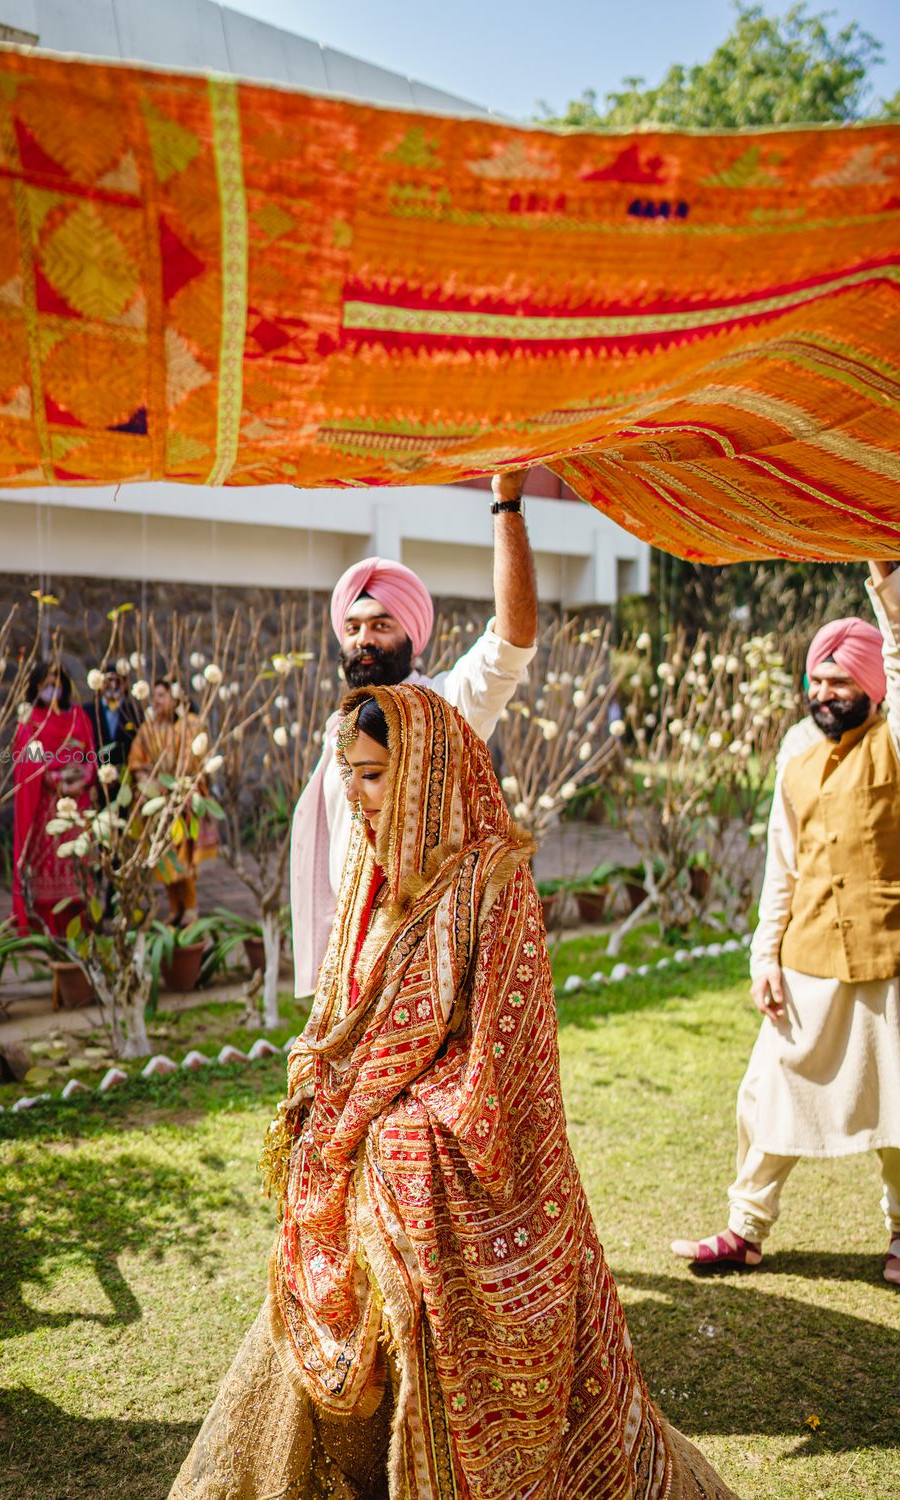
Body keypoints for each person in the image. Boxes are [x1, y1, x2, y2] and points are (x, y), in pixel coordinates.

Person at [170, 685, 736, 1499]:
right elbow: (343, 1014)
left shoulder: (495, 885)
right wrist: (331, 1098)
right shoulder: (372, 876)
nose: (359, 797)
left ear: (430, 770)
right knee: (335, 1197)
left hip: (480, 1161)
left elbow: (506, 1067)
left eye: (376, 774)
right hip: (375, 1136)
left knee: (395, 1192)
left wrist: (382, 1121)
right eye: (351, 775)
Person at [672, 560, 900, 1279]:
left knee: (899, 1108)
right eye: (818, 681)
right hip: (805, 955)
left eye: (842, 682)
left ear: (874, 685)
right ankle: (744, 1229)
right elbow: (783, 863)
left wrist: (887, 583)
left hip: (888, 954)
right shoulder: (796, 749)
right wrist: (762, 957)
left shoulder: (896, 740)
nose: (825, 694)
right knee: (768, 1094)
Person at [290, 469, 539, 997]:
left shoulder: (445, 706)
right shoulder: (340, 730)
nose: (364, 640)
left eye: (382, 625)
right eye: (353, 628)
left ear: (412, 636)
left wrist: (506, 505)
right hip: (352, 966)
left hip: (425, 968)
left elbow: (512, 642)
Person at [11, 661, 97, 936]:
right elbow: (29, 762)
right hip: (47, 807)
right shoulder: (30, 723)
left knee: (77, 866)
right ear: (36, 686)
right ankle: (45, 927)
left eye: (56, 682)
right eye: (46, 683)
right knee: (47, 867)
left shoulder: (78, 718)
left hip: (77, 806)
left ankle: (82, 926)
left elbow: (92, 756)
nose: (52, 688)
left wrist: (83, 778)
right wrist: (57, 781)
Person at [127, 678, 213, 925]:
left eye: (162, 695)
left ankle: (191, 907)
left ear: (175, 699)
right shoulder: (148, 729)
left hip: (179, 802)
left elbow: (192, 763)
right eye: (154, 696)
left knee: (182, 857)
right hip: (157, 804)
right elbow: (137, 762)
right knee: (162, 858)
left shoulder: (187, 727)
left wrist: (173, 786)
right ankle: (175, 907)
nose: (157, 700)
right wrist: (148, 783)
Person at [83, 667, 142, 793]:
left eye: (118, 681)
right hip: (94, 783)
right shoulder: (88, 711)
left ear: (125, 684)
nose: (113, 685)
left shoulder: (134, 713)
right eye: (109, 680)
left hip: (125, 783)